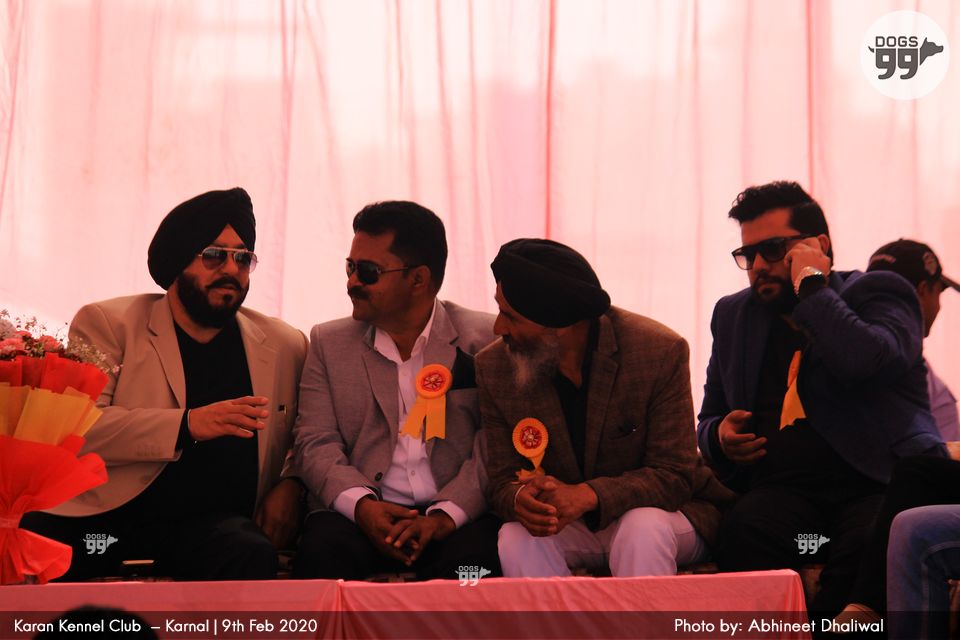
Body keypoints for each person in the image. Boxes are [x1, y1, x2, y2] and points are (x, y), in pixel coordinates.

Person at [23, 187, 308, 581]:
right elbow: (80, 429)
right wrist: (186, 425)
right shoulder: (111, 324)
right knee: (39, 542)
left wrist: (292, 482)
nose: (231, 269)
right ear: (177, 261)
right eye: (214, 255)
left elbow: (308, 432)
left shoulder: (284, 344)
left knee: (250, 553)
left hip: (212, 527)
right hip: (111, 521)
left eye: (243, 258)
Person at [696, 180, 947, 617]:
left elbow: (863, 361)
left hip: (875, 487)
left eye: (773, 249)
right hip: (791, 505)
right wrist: (719, 436)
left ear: (819, 246)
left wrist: (811, 287)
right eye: (748, 255)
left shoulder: (880, 294)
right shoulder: (735, 316)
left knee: (867, 542)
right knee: (745, 531)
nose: (759, 266)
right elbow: (709, 416)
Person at [477, 238, 732, 577]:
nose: (498, 329)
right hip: (572, 525)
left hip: (667, 514)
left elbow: (675, 474)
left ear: (560, 324)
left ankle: (642, 617)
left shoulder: (658, 351)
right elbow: (501, 481)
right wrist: (519, 498)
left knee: (641, 527)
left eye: (511, 317)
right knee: (516, 537)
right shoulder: (494, 366)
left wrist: (588, 495)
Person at [292, 200, 500, 580]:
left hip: (456, 518)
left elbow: (495, 443)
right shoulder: (328, 342)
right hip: (361, 515)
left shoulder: (484, 340)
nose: (352, 282)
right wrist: (361, 506)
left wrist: (444, 516)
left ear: (418, 280)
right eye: (350, 267)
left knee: (476, 573)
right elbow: (314, 442)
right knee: (322, 558)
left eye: (368, 272)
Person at [866, 239, 959, 441]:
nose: (939, 306)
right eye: (938, 292)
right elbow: (946, 455)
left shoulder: (836, 347)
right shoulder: (931, 389)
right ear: (923, 290)